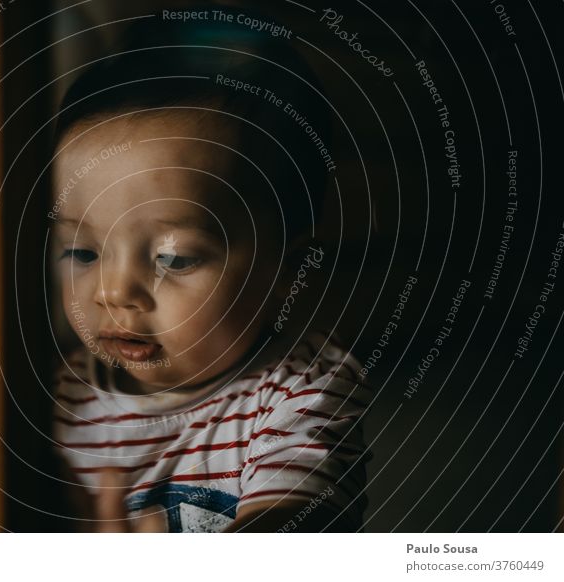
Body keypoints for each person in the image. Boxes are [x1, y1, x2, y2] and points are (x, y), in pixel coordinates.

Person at [48, 6, 372, 532]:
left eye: (172, 259)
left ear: (286, 269)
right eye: (82, 252)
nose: (113, 291)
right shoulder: (61, 395)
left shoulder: (298, 388)